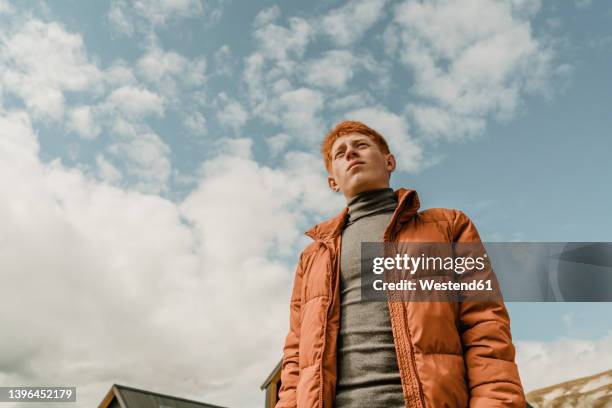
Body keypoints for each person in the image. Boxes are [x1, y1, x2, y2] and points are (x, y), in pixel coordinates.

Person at [275, 120, 526, 408]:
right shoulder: (313, 256)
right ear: (333, 180)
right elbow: (296, 353)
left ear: (389, 161)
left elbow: (484, 324)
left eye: (361, 145)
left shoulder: (448, 227)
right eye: (339, 153)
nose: (350, 153)